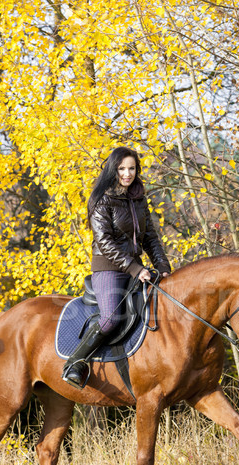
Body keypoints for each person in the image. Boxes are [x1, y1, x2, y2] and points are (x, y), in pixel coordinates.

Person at [62, 147, 171, 388]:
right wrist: (135, 269)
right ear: (113, 169)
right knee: (110, 319)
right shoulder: (101, 199)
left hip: (135, 267)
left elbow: (150, 237)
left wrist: (163, 267)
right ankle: (75, 362)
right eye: (122, 168)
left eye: (132, 168)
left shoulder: (139, 199)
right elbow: (105, 242)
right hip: (108, 268)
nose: (127, 173)